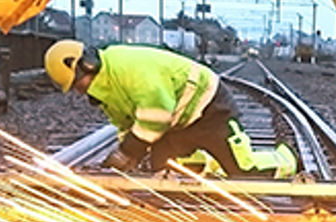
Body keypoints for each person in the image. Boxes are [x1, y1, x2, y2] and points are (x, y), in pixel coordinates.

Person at [43, 40, 296, 178]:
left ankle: (285, 159)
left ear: (87, 65)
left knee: (243, 173)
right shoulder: (102, 90)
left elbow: (157, 114)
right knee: (163, 171)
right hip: (177, 124)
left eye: (78, 83)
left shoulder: (129, 67)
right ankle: (206, 159)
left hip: (209, 108)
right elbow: (127, 126)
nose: (79, 90)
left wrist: (127, 152)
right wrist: (128, 158)